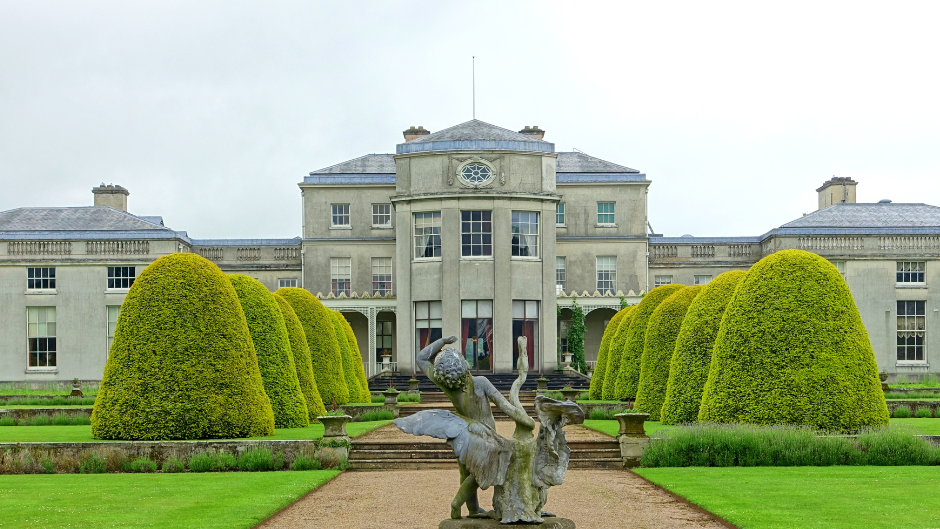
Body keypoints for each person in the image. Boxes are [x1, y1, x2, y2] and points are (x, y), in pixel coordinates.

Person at [409, 335, 530, 519]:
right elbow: (505, 407)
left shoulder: (448, 385)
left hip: (463, 434)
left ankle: (472, 509)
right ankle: (460, 502)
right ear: (465, 365)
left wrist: (442, 342)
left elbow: (420, 358)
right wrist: (526, 420)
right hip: (486, 436)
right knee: (495, 465)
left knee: (466, 471)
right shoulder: (480, 382)